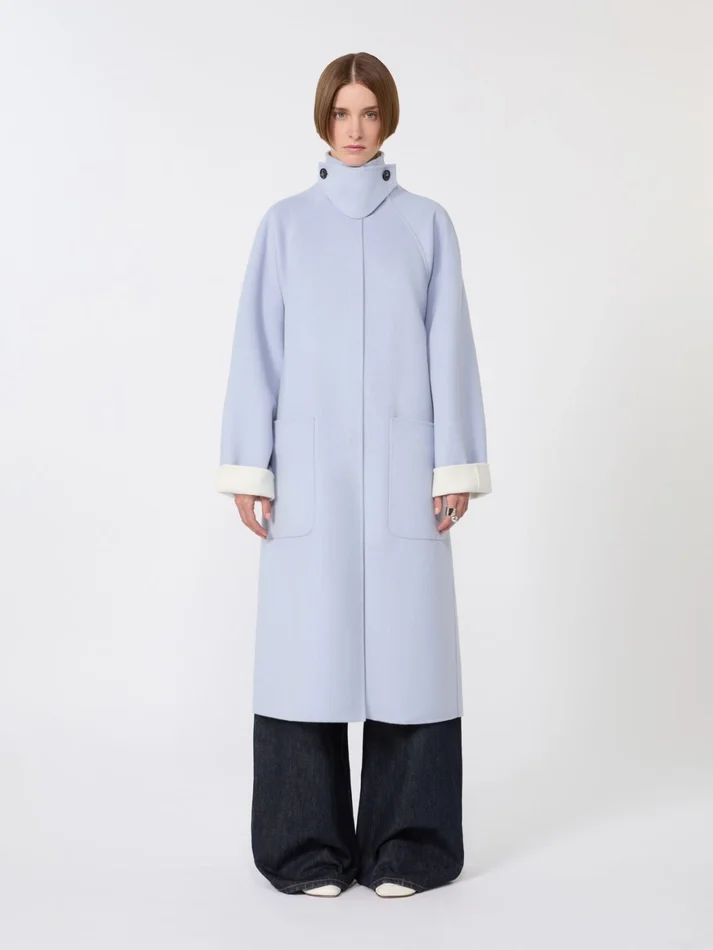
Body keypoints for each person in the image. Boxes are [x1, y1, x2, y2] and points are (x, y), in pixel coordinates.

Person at [215, 51, 492, 898]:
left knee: (412, 661)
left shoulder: (427, 225)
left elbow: (450, 346)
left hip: (404, 474)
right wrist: (250, 468)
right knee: (305, 656)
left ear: (387, 118)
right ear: (323, 119)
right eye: (342, 113)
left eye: (369, 112)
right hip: (313, 475)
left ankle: (409, 845)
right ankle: (304, 847)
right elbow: (256, 348)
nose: (356, 129)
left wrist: (453, 462)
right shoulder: (285, 226)